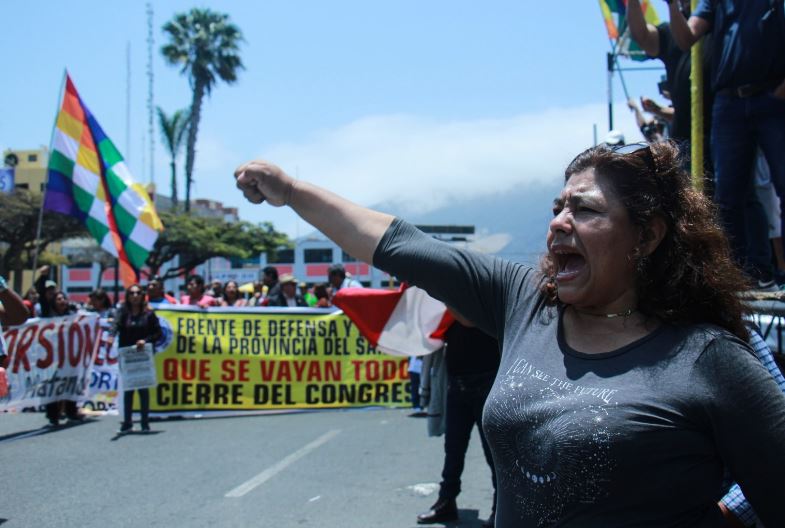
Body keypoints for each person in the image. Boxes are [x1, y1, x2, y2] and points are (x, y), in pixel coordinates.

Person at [234, 146, 785, 527]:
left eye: (585, 209)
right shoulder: (526, 301)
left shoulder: (709, 360)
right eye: (557, 208)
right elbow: (398, 243)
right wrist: (291, 190)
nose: (558, 223)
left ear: (647, 235)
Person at [668, 0, 785, 289]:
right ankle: (736, 276)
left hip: (773, 98)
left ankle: (766, 271)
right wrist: (672, 5)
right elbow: (685, 38)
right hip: (729, 102)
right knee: (728, 197)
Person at [417, 314, 500, 527]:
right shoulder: (447, 294)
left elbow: (469, 317)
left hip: (487, 382)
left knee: (495, 454)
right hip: (457, 382)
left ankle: (500, 508)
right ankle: (447, 502)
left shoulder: (471, 290)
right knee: (453, 449)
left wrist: (445, 296)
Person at [112, 284, 162, 433]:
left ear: (142, 296)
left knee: (143, 388)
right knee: (128, 388)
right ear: (127, 296)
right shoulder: (123, 313)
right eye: (131, 293)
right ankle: (127, 422)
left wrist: (145, 341)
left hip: (143, 355)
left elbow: (158, 333)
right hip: (127, 355)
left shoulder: (149, 314)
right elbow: (115, 325)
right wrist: (110, 335)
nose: (135, 296)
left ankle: (144, 423)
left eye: (138, 293)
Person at [43, 290, 80, 426]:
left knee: (70, 383)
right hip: (52, 357)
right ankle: (53, 414)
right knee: (52, 385)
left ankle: (71, 411)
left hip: (68, 357)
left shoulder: (71, 315)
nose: (62, 301)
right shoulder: (48, 316)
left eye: (64, 298)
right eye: (59, 299)